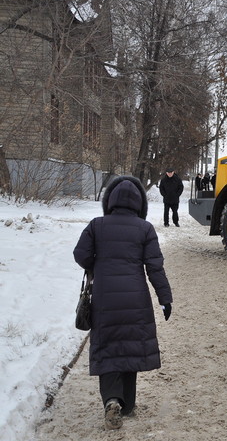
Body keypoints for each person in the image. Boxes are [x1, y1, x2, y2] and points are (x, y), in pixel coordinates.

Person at [73, 176, 173, 430]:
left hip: (105, 299)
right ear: (139, 204)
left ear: (110, 201)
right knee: (130, 347)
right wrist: (165, 298)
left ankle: (111, 400)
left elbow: (81, 254)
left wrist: (98, 263)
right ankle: (127, 405)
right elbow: (155, 268)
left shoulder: (97, 225)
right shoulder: (145, 229)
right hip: (135, 298)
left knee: (108, 349)